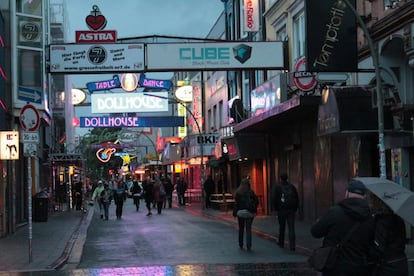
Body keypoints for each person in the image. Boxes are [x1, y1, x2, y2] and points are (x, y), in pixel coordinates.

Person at [310, 179, 375, 276]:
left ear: (347, 193)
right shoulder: (370, 216)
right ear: (364, 196)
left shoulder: (334, 212)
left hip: (334, 266)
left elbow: (315, 232)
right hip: (360, 266)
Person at [367, 192, 408, 276]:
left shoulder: (381, 221)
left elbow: (378, 248)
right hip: (401, 262)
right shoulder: (398, 219)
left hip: (387, 266)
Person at [273, 173, 299, 250]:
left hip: (282, 210)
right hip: (291, 210)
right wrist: (295, 208)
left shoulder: (278, 187)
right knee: (291, 227)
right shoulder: (292, 187)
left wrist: (276, 209)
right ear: (287, 178)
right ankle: (292, 245)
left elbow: (275, 199)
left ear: (280, 178)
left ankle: (281, 242)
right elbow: (296, 198)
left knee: (282, 226)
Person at [232, 177, 258, 251]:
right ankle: (249, 245)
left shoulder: (238, 192)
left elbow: (236, 204)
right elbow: (256, 201)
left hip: (241, 213)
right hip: (249, 212)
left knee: (241, 228)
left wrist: (235, 212)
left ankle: (241, 243)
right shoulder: (251, 192)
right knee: (248, 229)